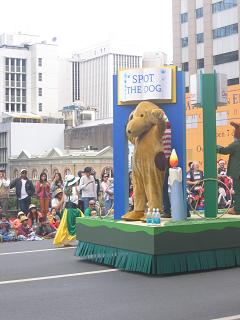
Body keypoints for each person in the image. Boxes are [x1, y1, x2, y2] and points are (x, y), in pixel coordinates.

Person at [217, 121, 240, 215]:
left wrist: (214, 146)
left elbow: (224, 150)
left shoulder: (236, 144)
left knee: (238, 191)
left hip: (238, 173)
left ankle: (238, 209)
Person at [53, 175, 83, 246]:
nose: (77, 182)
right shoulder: (76, 188)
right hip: (72, 210)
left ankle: (66, 240)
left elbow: (63, 200)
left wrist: (59, 207)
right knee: (78, 223)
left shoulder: (66, 189)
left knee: (66, 225)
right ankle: (66, 241)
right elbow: (64, 199)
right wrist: (59, 207)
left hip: (71, 209)